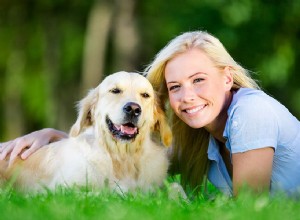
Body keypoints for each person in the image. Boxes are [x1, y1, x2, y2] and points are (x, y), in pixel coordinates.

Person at [1, 30, 299, 197]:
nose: (187, 96)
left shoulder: (252, 111)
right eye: (175, 86)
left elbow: (251, 209)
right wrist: (56, 138)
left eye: (198, 80)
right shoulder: (200, 138)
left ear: (227, 78)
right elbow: (126, 156)